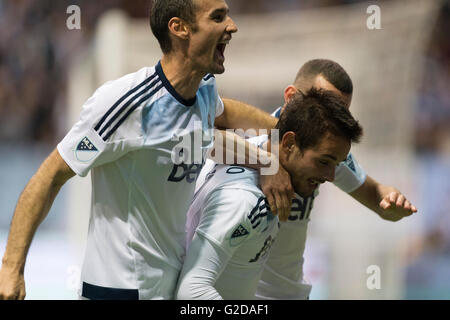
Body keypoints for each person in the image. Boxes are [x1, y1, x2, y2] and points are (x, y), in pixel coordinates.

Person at [0, 0, 292, 300]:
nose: (232, 25)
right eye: (218, 17)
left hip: (168, 287)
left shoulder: (203, 89)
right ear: (179, 28)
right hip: (117, 290)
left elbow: (212, 127)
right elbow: (50, 176)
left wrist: (274, 143)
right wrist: (11, 268)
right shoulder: (126, 104)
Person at [253, 59, 418, 300]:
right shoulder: (244, 149)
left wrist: (390, 203)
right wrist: (265, 162)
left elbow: (375, 194)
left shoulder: (327, 157)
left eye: (341, 111)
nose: (334, 120)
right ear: (291, 97)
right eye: (326, 106)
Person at [175, 89, 364, 299]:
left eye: (335, 164)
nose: (330, 176)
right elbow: (191, 291)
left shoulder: (255, 147)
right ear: (289, 143)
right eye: (323, 162)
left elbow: (202, 136)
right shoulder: (245, 200)